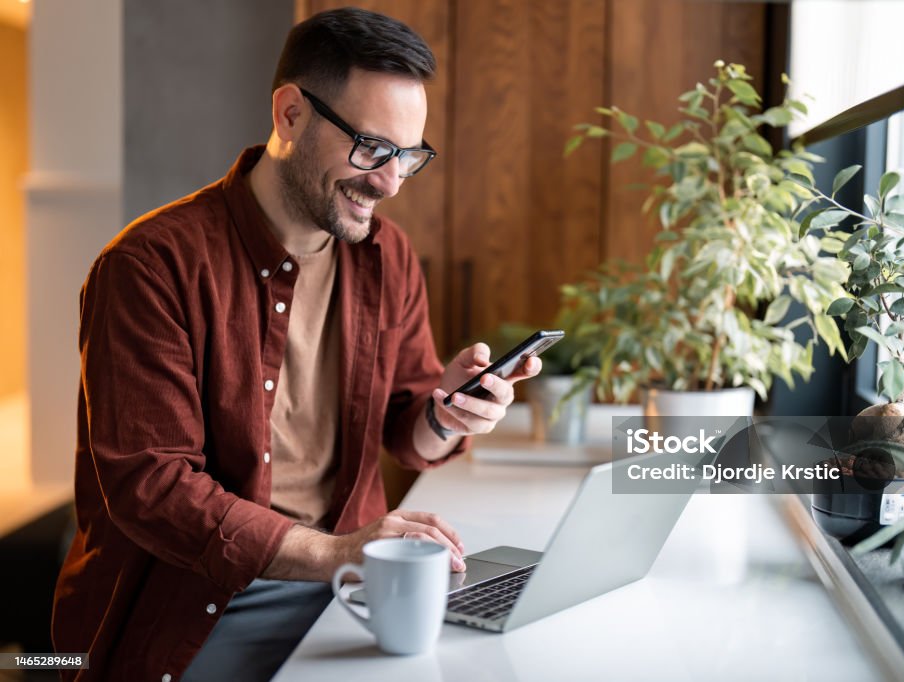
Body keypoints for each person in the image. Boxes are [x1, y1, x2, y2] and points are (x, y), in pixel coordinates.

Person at [51, 8, 540, 681]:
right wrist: (340, 554)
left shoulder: (385, 255)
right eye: (372, 148)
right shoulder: (150, 266)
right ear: (290, 115)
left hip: (351, 586)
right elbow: (152, 487)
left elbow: (405, 433)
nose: (391, 182)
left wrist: (444, 413)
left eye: (409, 156)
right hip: (200, 610)